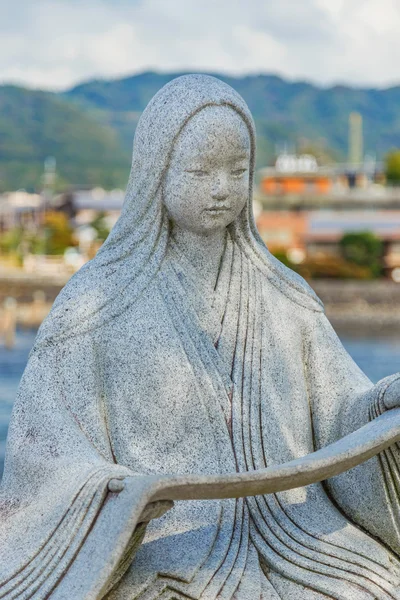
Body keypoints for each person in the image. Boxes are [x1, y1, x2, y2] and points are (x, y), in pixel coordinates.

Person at [1, 74, 400, 600]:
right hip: (166, 542)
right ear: (155, 172)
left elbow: (337, 413)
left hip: (300, 534)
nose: (221, 188)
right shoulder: (95, 304)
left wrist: (382, 404)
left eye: (237, 172)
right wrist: (113, 492)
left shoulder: (285, 296)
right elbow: (47, 452)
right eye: (199, 171)